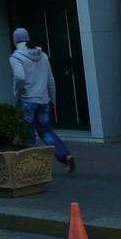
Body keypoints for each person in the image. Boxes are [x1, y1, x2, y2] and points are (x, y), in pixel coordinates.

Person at [10, 28, 75, 173]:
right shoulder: (43, 55)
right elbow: (50, 80)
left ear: (15, 41)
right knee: (45, 130)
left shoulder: (17, 57)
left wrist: (17, 92)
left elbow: (19, 77)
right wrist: (52, 99)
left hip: (27, 99)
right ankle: (65, 156)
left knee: (27, 133)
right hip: (43, 99)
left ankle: (30, 166)